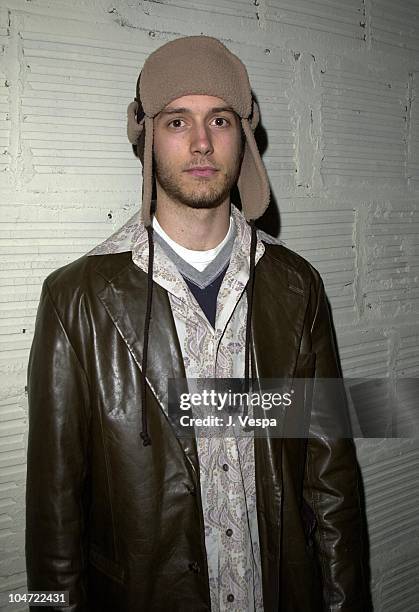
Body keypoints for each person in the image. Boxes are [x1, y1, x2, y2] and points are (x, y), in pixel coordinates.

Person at [26, 36, 367, 611]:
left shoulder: (296, 287)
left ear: (244, 137)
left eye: (221, 120)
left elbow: (330, 482)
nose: (203, 142)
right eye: (178, 121)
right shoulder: (76, 300)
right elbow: (54, 520)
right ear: (147, 136)